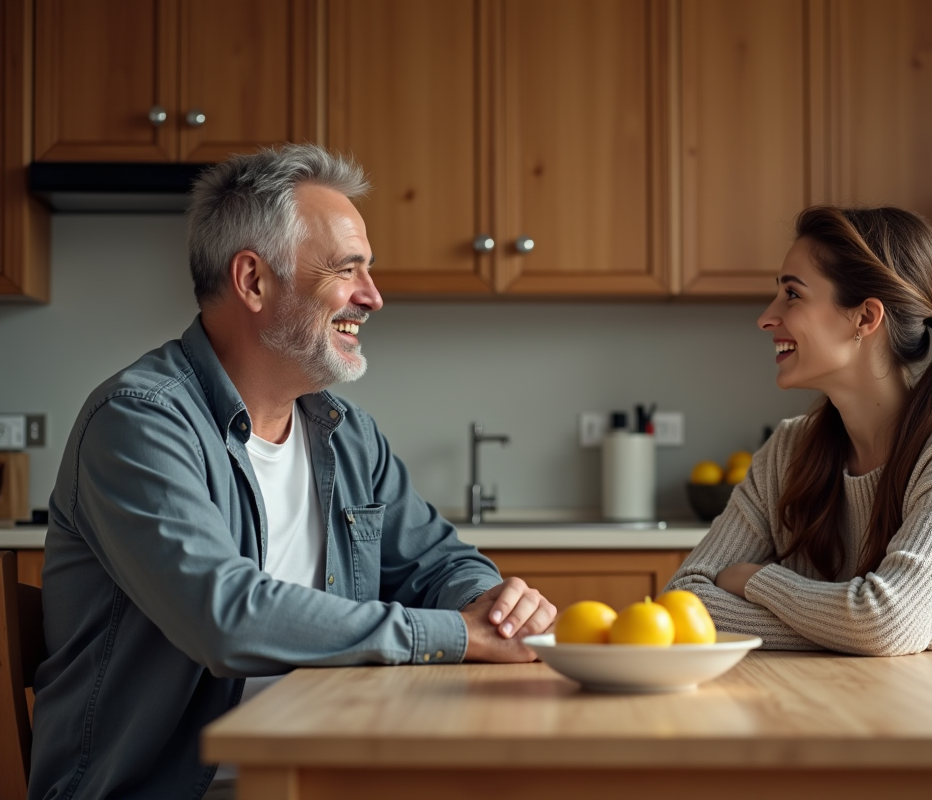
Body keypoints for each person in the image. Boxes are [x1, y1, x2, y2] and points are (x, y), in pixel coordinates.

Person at [29, 144, 556, 799]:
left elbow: (439, 565)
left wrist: (494, 607)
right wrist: (453, 634)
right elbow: (225, 617)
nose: (374, 297)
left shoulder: (346, 434)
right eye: (348, 269)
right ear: (253, 281)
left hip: (325, 774)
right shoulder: (138, 422)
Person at [665, 205, 932, 660]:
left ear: (864, 318)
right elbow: (682, 601)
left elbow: (885, 622)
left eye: (792, 295)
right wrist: (866, 626)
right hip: (846, 710)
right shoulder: (789, 449)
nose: (766, 317)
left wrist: (752, 580)